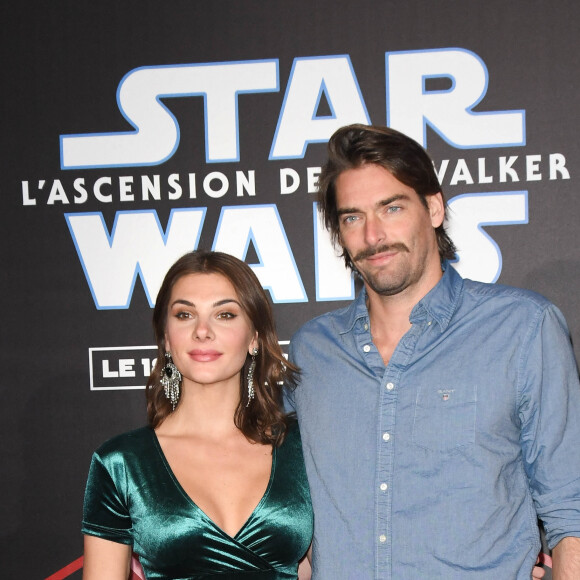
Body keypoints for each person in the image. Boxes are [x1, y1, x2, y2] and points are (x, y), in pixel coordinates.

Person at [287, 124, 580, 579]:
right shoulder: (313, 350)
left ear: (435, 208)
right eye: (352, 217)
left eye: (392, 207)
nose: (373, 235)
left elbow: (570, 508)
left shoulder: (521, 328)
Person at [82, 250, 313, 579]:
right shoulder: (122, 463)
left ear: (255, 338)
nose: (202, 331)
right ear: (165, 338)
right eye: (184, 315)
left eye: (225, 315)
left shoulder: (302, 448)